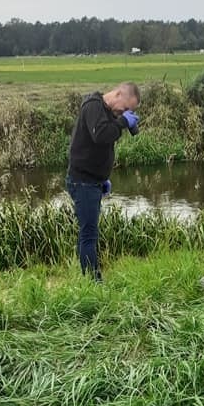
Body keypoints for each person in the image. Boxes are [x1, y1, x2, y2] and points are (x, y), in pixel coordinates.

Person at [66, 82, 140, 281]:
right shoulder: (93, 106)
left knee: (88, 231)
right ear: (117, 94)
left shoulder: (108, 112)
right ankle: (93, 282)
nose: (123, 113)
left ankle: (88, 277)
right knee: (89, 234)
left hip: (93, 182)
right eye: (125, 108)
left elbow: (102, 142)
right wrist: (123, 122)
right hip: (83, 182)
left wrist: (103, 178)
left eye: (128, 112)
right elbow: (100, 135)